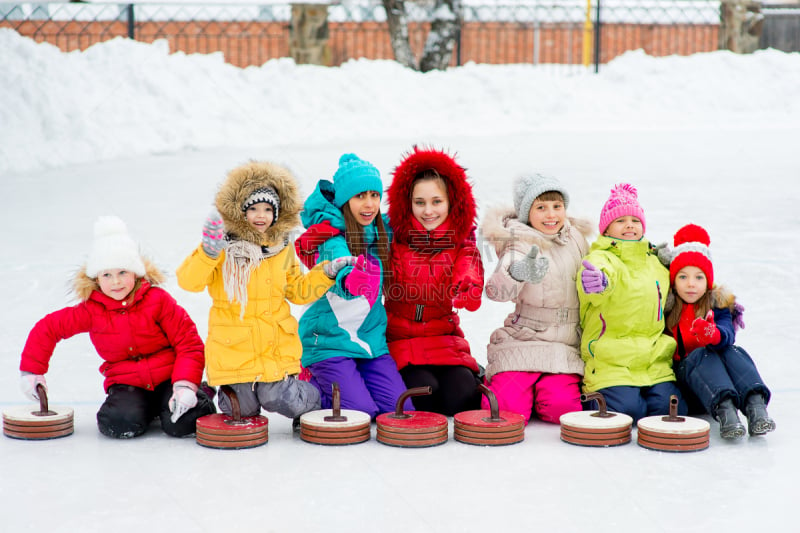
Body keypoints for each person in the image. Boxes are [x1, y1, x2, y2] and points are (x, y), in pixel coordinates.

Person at [176, 161, 353, 423]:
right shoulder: (221, 248)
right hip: (233, 347)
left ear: (276, 212)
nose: (261, 215)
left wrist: (325, 272)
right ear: (240, 211)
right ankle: (212, 391)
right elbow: (189, 282)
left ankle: (314, 398)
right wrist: (208, 252)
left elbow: (297, 291)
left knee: (277, 396)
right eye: (254, 208)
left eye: (268, 209)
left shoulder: (282, 248)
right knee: (240, 408)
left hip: (274, 346)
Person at [19, 216, 215, 439]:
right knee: (118, 422)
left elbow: (188, 342)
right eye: (107, 275)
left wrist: (185, 386)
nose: (116, 282)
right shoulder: (91, 310)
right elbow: (48, 328)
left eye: (123, 272)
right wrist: (32, 371)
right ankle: (146, 409)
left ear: (135, 273)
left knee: (184, 423)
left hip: (170, 377)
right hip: (127, 382)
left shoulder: (157, 300)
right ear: (96, 278)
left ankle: (199, 393)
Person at [297, 153, 411, 418]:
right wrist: (351, 279)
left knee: (399, 410)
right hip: (328, 342)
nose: (369, 204)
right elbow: (337, 264)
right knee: (358, 412)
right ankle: (309, 380)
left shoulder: (381, 231)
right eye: (360, 196)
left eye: (374, 195)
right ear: (345, 201)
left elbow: (414, 231)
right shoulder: (331, 237)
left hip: (370, 342)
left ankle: (354, 378)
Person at [481, 174, 591, 423]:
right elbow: (496, 292)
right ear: (526, 213)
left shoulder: (576, 238)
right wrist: (517, 273)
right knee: (507, 410)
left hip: (565, 343)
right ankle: (497, 381)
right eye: (540, 208)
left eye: (557, 206)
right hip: (525, 337)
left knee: (562, 410)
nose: (551, 215)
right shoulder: (519, 241)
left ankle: (544, 388)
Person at [383, 146, 484, 416]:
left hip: (443, 337)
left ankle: (472, 375)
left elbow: (469, 268)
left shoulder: (461, 242)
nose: (428, 211)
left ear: (452, 202)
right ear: (407, 203)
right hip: (399, 338)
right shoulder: (391, 238)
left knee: (461, 397)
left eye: (436, 201)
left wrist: (468, 286)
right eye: (420, 202)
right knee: (423, 394)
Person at [577, 183, 684, 422]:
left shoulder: (655, 263)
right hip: (611, 362)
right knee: (627, 411)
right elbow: (599, 281)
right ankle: (595, 396)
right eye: (620, 220)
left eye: (635, 220)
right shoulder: (600, 259)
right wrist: (598, 283)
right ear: (606, 229)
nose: (629, 225)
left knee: (670, 409)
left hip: (654, 361)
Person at [660, 223, 776, 439]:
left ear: (708, 281)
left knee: (733, 351)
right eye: (683, 277)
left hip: (718, 381)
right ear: (674, 282)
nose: (691, 284)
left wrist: (712, 334)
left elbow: (726, 334)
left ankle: (755, 406)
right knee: (701, 355)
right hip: (689, 383)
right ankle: (726, 413)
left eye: (698, 277)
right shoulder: (668, 309)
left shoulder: (717, 305)